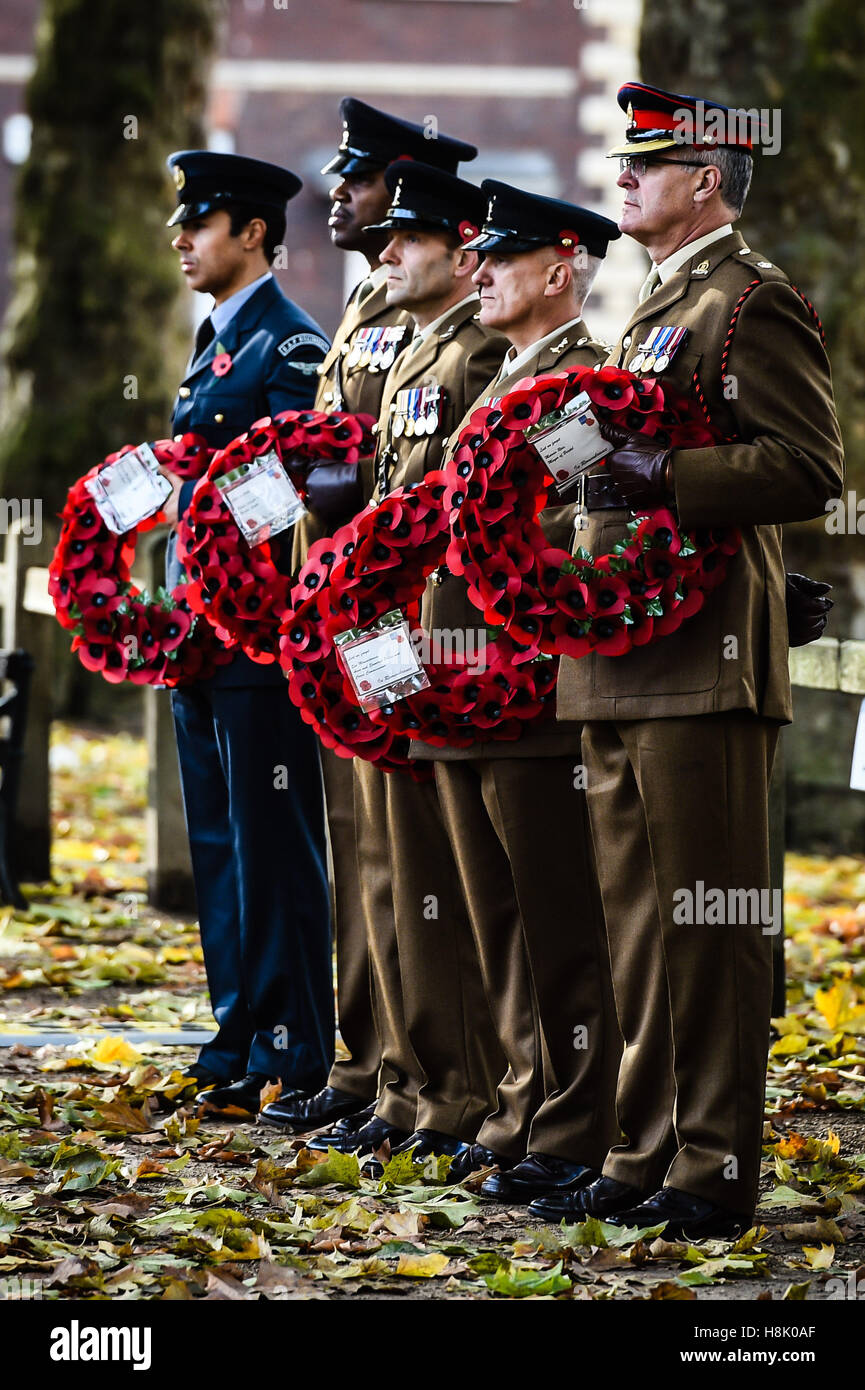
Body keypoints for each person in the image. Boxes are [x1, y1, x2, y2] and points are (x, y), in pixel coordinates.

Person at [531, 83, 844, 1237]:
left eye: (643, 164)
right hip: (619, 648)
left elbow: (807, 464)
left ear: (705, 179)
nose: (620, 179)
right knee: (633, 922)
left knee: (705, 925)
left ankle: (710, 1165)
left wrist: (662, 475)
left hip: (701, 651)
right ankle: (640, 1143)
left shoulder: (745, 300)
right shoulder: (652, 306)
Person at [405, 183, 624, 1199]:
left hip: (531, 684)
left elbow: (590, 517)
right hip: (461, 679)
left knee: (555, 917)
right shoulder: (500, 381)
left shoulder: (581, 383)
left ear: (557, 270)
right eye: (477, 258)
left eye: (501, 258)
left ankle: (574, 1122)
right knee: (494, 915)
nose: (478, 272)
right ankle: (516, 1101)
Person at [264, 100, 479, 1136]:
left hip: (400, 615)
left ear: (408, 191)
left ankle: (422, 1071)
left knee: (411, 862)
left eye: (357, 182)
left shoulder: (445, 324)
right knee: (360, 847)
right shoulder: (366, 303)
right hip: (345, 613)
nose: (338, 197)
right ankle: (373, 1060)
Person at [305, 161, 510, 1158]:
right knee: (381, 861)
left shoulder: (475, 355)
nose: (386, 248)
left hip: (445, 639)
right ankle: (397, 1075)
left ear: (464, 253)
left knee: (436, 868)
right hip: (377, 632)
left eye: (408, 237)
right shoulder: (419, 342)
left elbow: (471, 507)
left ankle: (454, 1086)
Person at [159, 151, 334, 1116]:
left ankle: (294, 1042)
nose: (181, 239)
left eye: (201, 222)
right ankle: (238, 1033)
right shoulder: (214, 340)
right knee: (220, 845)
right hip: (199, 635)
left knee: (275, 848)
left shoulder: (288, 347)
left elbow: (292, 495)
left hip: (257, 642)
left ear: (255, 233)